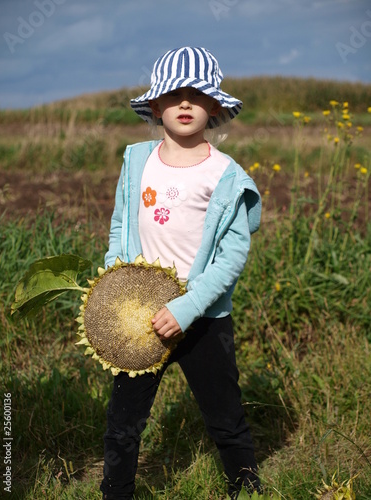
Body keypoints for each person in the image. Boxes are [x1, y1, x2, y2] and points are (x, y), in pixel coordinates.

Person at [100, 46, 262, 499]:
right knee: (124, 421)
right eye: (175, 95)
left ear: (214, 107)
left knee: (225, 417)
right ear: (156, 107)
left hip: (204, 318)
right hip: (139, 316)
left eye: (198, 95)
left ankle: (246, 489)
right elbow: (120, 225)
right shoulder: (137, 162)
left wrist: (188, 306)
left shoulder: (226, 175)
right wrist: (114, 278)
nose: (186, 103)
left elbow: (230, 258)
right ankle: (116, 492)